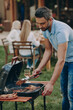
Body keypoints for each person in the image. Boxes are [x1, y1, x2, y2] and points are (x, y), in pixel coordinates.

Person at [32, 7, 73, 110]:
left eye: (42, 23)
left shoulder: (61, 31)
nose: (40, 26)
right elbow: (48, 50)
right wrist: (39, 68)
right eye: (38, 23)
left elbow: (61, 60)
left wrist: (51, 83)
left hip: (71, 61)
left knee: (71, 94)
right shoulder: (45, 29)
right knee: (64, 92)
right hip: (65, 61)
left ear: (50, 19)